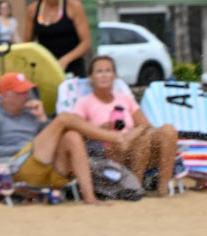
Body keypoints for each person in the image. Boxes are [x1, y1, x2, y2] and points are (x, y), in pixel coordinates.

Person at [0, 70, 105, 200]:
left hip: (46, 168)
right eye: (21, 93)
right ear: (5, 96)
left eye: (27, 91)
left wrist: (42, 118)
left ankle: (90, 198)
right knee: (63, 118)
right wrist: (25, 147)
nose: (27, 96)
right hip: (18, 167)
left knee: (71, 137)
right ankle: (115, 137)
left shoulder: (30, 114)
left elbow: (51, 137)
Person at [73, 53, 180, 190]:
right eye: (99, 71)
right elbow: (77, 132)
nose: (104, 75)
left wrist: (129, 136)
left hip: (136, 147)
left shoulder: (125, 98)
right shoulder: (84, 102)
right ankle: (135, 186)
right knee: (143, 139)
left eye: (108, 70)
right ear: (91, 77)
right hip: (109, 151)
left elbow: (145, 124)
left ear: (114, 76)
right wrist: (101, 129)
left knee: (168, 130)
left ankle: (163, 187)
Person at [23, 0, 91, 76]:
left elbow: (86, 43)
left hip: (72, 66)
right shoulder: (33, 10)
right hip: (45, 67)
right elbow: (27, 43)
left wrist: (65, 60)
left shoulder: (74, 6)